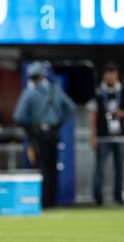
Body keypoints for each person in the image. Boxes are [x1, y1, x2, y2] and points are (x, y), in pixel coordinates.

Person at [13, 61, 76, 208]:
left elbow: (18, 116)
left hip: (38, 135)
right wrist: (59, 122)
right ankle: (53, 201)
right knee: (52, 168)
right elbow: (70, 107)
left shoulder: (29, 93)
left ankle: (43, 202)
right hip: (54, 133)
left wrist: (30, 129)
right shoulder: (56, 90)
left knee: (40, 168)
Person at [87, 62, 124, 205]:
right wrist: (92, 135)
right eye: (108, 73)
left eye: (113, 73)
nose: (111, 76)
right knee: (99, 168)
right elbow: (92, 115)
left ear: (117, 75)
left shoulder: (122, 92)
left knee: (119, 168)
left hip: (120, 136)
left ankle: (118, 196)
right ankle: (98, 198)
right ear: (104, 75)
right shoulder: (98, 93)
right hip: (103, 136)